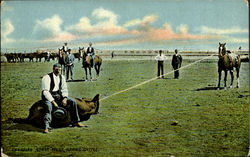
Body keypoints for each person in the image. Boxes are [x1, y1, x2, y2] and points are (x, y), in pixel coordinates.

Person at [41, 63, 83, 133]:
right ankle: (47, 126)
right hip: (48, 96)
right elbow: (45, 92)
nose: (58, 71)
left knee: (73, 102)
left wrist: (65, 98)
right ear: (53, 69)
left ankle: (76, 121)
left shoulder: (62, 77)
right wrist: (53, 102)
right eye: (56, 69)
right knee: (48, 107)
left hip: (58, 95)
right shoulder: (47, 77)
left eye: (60, 70)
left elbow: (64, 89)